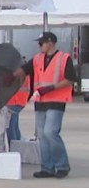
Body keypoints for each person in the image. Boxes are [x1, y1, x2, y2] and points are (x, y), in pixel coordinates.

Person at [17, 31, 75, 179]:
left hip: (56, 100)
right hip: (41, 102)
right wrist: (7, 73)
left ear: (50, 42)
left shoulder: (64, 58)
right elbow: (23, 70)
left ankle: (62, 165)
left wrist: (50, 88)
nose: (39, 45)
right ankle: (47, 168)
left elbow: (70, 79)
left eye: (41, 43)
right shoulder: (37, 59)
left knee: (50, 132)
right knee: (42, 135)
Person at [5, 71, 30, 145]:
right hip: (18, 100)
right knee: (14, 125)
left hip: (14, 100)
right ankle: (18, 145)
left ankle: (14, 147)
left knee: (10, 127)